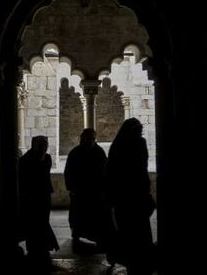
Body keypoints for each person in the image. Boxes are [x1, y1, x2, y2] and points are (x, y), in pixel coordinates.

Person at [106, 117, 156, 274]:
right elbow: (113, 171)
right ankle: (130, 258)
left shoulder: (132, 143)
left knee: (136, 228)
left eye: (140, 131)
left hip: (135, 193)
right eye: (138, 130)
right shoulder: (122, 145)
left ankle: (138, 258)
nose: (140, 133)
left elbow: (143, 166)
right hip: (126, 194)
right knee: (128, 228)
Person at [64, 128, 113, 252]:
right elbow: (68, 172)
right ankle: (76, 237)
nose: (89, 141)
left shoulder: (99, 152)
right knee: (78, 216)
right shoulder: (75, 153)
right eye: (87, 138)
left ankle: (97, 238)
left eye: (92, 138)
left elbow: (105, 171)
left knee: (95, 216)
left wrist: (104, 188)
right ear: (82, 138)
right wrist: (71, 188)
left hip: (95, 192)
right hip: (80, 191)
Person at [18, 135, 59, 265]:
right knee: (32, 223)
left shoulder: (47, 158)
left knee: (43, 221)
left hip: (44, 195)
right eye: (40, 145)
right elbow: (23, 180)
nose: (43, 148)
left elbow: (45, 176)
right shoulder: (25, 160)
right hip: (31, 196)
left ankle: (43, 247)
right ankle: (34, 249)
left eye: (45, 145)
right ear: (33, 145)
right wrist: (27, 195)